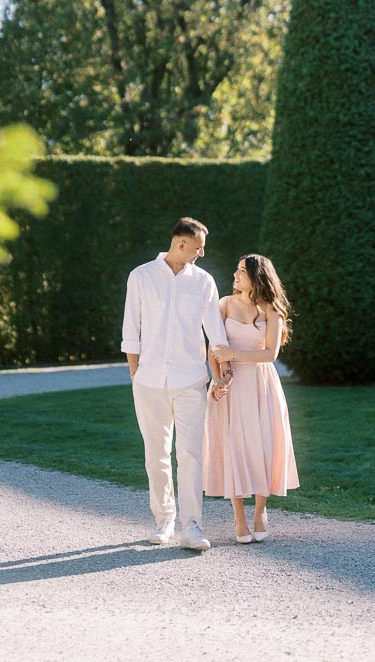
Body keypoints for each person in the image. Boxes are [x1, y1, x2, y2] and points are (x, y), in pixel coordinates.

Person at [121, 217, 230, 551]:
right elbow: (131, 328)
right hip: (149, 381)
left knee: (191, 453)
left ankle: (192, 525)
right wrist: (136, 373)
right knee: (156, 453)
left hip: (190, 380)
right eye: (198, 247)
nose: (201, 253)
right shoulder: (141, 276)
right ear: (181, 244)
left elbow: (216, 333)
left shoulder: (203, 282)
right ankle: (164, 518)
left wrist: (222, 372)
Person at [203, 254, 299, 543]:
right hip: (230, 384)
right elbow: (214, 348)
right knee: (233, 445)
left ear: (257, 277)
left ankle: (260, 511)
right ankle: (239, 516)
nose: (235, 274)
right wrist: (218, 379)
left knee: (263, 445)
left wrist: (233, 354)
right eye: (236, 269)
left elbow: (270, 354)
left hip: (260, 384)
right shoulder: (224, 304)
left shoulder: (272, 310)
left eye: (242, 271)